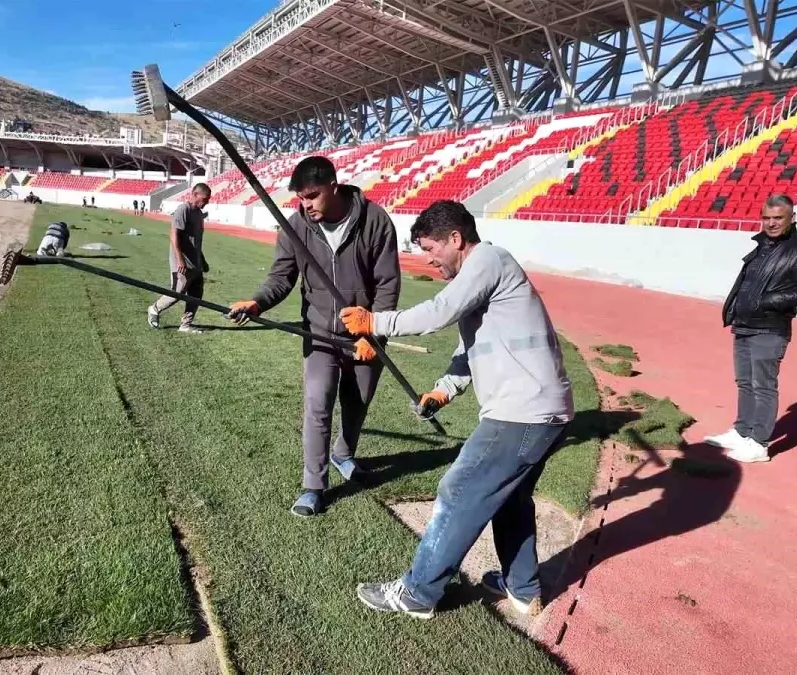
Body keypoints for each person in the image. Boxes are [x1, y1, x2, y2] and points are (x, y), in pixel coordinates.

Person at [337, 199, 574, 619]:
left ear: (455, 239)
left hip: (520, 412)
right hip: (543, 410)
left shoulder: (488, 259)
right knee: (511, 500)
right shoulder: (488, 275)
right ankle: (523, 588)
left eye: (431, 249)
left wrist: (375, 323)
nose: (429, 260)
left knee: (458, 491)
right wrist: (444, 390)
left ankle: (417, 592)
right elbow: (470, 347)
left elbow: (438, 312)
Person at [226, 156, 401, 517]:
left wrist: (373, 332)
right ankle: (313, 486)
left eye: (311, 196)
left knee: (358, 401)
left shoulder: (375, 220)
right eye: (301, 198)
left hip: (365, 334)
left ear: (333, 187)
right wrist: (257, 303)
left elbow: (387, 284)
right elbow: (281, 278)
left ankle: (344, 454)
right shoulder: (296, 227)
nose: (305, 205)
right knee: (318, 403)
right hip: (319, 332)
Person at [705, 193, 797, 463]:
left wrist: (771, 301)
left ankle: (759, 443)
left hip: (770, 327)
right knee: (745, 382)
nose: (771, 223)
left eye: (778, 218)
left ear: (792, 219)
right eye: (766, 218)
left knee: (763, 386)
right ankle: (742, 430)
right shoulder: (762, 244)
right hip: (745, 323)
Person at [147, 183, 212, 334]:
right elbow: (174, 234)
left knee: (196, 295)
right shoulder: (184, 210)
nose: (207, 202)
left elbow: (195, 241)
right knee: (177, 293)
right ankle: (154, 309)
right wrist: (180, 259)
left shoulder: (198, 214)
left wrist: (202, 260)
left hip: (195, 264)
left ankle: (186, 325)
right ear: (195, 195)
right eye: (205, 198)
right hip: (182, 263)